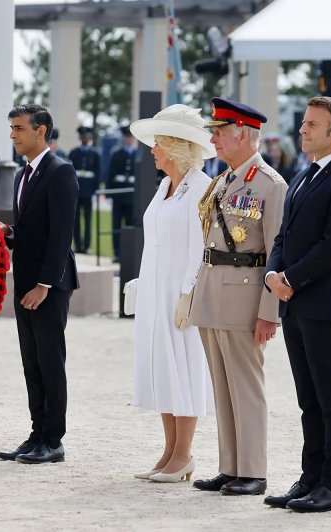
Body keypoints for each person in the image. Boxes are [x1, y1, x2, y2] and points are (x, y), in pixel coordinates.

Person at [263, 97, 331, 513]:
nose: (302, 130)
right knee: (308, 397)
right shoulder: (303, 175)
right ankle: (310, 478)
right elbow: (283, 236)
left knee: (330, 396)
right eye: (304, 123)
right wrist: (273, 273)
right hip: (293, 301)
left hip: (323, 302)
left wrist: (291, 278)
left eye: (312, 124)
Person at [189, 97, 287, 496]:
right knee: (222, 387)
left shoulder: (270, 184)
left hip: (246, 298)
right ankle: (230, 466)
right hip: (214, 293)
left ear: (243, 134)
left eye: (219, 132)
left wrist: (270, 312)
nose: (213, 139)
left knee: (245, 386)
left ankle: (254, 470)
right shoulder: (225, 179)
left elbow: (277, 251)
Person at [127, 104, 216, 483]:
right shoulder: (165, 186)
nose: (152, 150)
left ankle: (184, 454)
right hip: (155, 290)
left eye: (157, 143)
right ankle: (168, 451)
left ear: (176, 146)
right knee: (163, 368)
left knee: (185, 367)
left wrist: (188, 293)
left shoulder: (201, 188)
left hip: (182, 293)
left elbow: (202, 248)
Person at [0, 104, 79, 464]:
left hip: (49, 285)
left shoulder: (61, 172)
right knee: (31, 361)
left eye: (18, 128)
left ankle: (53, 439)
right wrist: (9, 233)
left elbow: (60, 235)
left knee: (50, 360)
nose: (12, 134)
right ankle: (36, 433)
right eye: (11, 128)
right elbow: (32, 228)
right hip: (26, 281)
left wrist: (44, 284)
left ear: (40, 130)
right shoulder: (21, 175)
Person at [106, 126, 136, 262]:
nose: (128, 140)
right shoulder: (116, 154)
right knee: (116, 225)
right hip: (118, 196)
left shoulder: (137, 155)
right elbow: (110, 174)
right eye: (126, 137)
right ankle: (117, 253)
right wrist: (108, 193)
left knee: (130, 225)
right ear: (123, 138)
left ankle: (129, 253)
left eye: (130, 137)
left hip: (131, 197)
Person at [69, 126, 100, 253]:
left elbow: (98, 174)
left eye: (87, 136)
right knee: (75, 221)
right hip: (76, 191)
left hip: (88, 191)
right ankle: (78, 245)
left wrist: (95, 191)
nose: (85, 139)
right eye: (82, 137)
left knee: (88, 220)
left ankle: (86, 246)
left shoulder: (95, 153)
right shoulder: (74, 152)